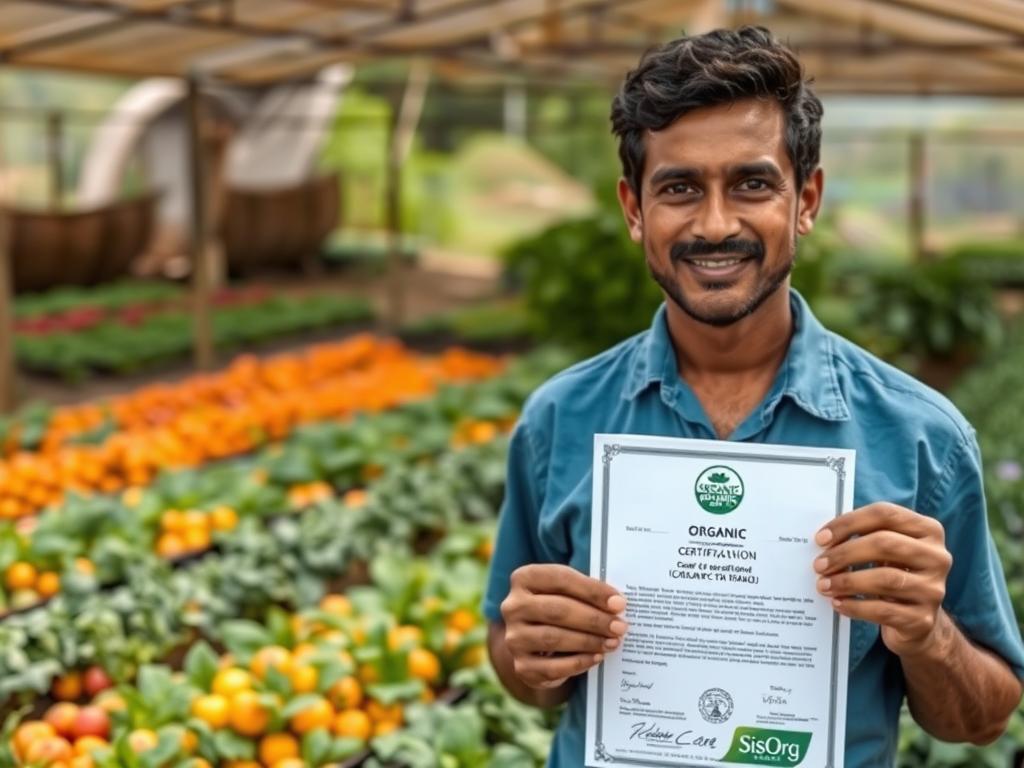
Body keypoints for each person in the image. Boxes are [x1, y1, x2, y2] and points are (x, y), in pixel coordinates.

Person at [482, 25, 1024, 767]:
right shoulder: (560, 420)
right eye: (678, 188)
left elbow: (985, 717)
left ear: (806, 199)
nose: (714, 224)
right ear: (634, 208)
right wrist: (533, 651)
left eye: (751, 183)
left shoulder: (921, 434)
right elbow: (521, 672)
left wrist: (926, 634)